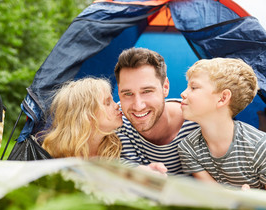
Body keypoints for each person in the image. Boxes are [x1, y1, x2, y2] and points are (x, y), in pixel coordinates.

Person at [178, 57, 266, 190]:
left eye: (194, 87)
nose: (183, 93)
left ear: (223, 98)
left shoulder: (260, 148)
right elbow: (216, 197)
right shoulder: (188, 148)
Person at [114, 47, 199, 175]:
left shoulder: (199, 121)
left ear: (165, 87)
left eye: (147, 91)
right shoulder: (114, 120)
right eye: (128, 93)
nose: (138, 106)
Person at [42, 77, 123, 160]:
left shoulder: (118, 146)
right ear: (87, 115)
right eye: (107, 103)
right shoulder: (51, 154)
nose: (117, 105)